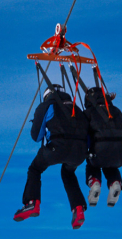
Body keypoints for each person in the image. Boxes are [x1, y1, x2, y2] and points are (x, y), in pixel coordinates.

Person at [14, 83, 89, 228]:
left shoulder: (46, 106)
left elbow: (36, 137)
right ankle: (78, 209)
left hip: (57, 147)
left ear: (46, 95)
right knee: (68, 173)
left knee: (35, 169)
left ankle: (32, 203)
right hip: (79, 152)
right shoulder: (76, 108)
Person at [82, 86, 122, 206]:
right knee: (110, 163)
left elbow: (83, 133)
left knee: (93, 163)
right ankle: (115, 182)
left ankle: (94, 182)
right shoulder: (116, 111)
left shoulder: (89, 113)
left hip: (100, 152)